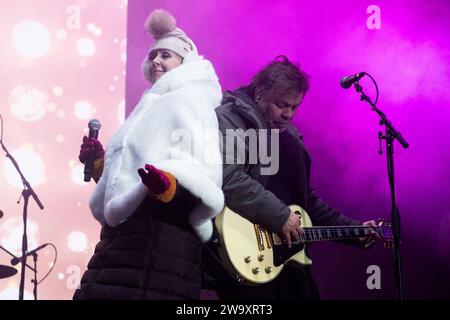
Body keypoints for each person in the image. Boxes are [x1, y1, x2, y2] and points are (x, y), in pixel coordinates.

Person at [73, 9, 224, 300]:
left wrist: (168, 187)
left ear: (185, 62)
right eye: (154, 56)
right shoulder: (149, 106)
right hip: (121, 243)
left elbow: (202, 175)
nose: (156, 61)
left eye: (166, 55)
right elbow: (132, 175)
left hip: (159, 248)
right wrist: (101, 165)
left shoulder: (190, 99)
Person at [204, 55, 378, 299]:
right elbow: (228, 177)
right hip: (244, 254)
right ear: (259, 94)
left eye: (294, 107)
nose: (288, 114)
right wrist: (280, 214)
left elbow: (306, 200)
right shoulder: (231, 118)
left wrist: (355, 230)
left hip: (287, 260)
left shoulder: (290, 137)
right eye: (281, 104)